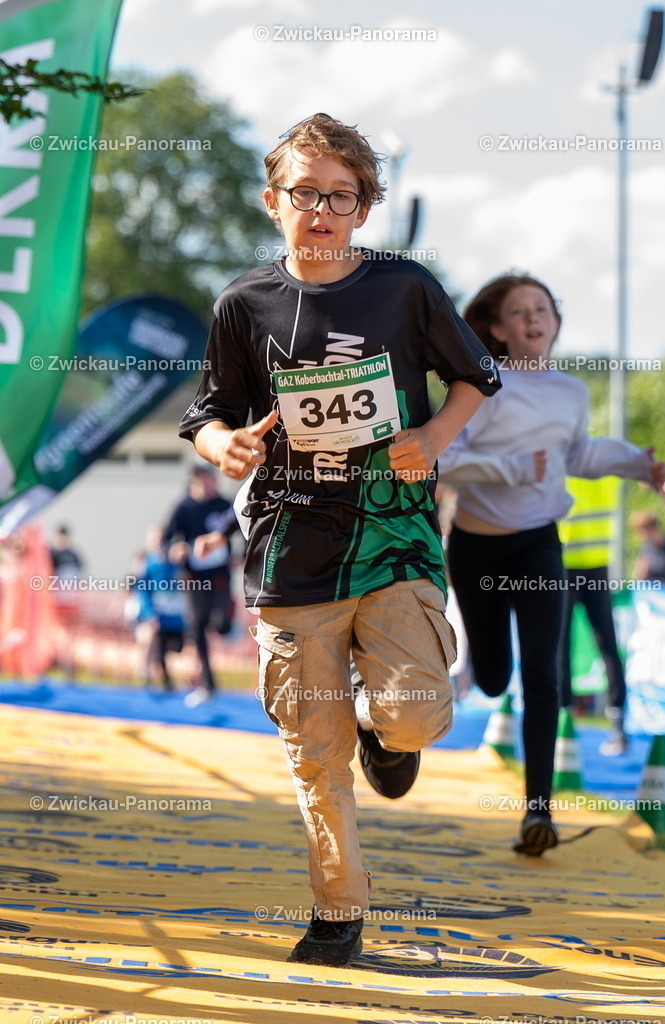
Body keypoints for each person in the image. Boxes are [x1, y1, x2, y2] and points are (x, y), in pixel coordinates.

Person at [178, 112, 500, 967]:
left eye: (341, 196)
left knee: (418, 716)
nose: (321, 209)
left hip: (393, 534)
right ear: (271, 201)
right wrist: (228, 444)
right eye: (305, 193)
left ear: (363, 208)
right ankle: (337, 912)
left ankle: (382, 728)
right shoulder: (242, 302)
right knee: (312, 754)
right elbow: (205, 416)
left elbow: (475, 377)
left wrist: (434, 440)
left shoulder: (404, 287)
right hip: (290, 544)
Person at [439, 272, 665, 857]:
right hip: (477, 547)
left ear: (555, 323)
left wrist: (638, 465)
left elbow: (580, 455)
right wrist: (511, 469)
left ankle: (537, 812)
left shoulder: (569, 391)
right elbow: (446, 462)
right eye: (520, 312)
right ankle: (480, 682)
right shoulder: (481, 386)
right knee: (492, 675)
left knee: (543, 671)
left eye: (543, 309)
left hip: (539, 544)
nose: (534, 319)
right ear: (497, 328)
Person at [558, 476, 629, 756]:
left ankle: (564, 719)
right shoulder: (605, 466)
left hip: (565, 566)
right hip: (596, 567)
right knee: (607, 645)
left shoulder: (561, 461)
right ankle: (617, 721)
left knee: (562, 645)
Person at [162, 465, 239, 706]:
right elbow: (167, 540)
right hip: (194, 578)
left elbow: (247, 529)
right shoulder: (183, 507)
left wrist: (244, 555)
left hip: (219, 575)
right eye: (205, 480)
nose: (210, 485)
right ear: (195, 481)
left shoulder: (224, 505)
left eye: (213, 480)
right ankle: (207, 683)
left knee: (220, 623)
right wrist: (174, 550)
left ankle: (226, 623)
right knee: (197, 627)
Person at [134, 525, 187, 692]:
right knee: (152, 642)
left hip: (174, 616)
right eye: (153, 540)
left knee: (176, 648)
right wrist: (149, 612)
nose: (157, 544)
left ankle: (161, 674)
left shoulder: (175, 563)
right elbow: (142, 589)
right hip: (155, 614)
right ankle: (149, 675)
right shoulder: (147, 564)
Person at [631, 511, 665, 586]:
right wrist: (640, 573)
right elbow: (638, 578)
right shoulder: (646, 550)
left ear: (652, 529)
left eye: (642, 531)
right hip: (651, 594)